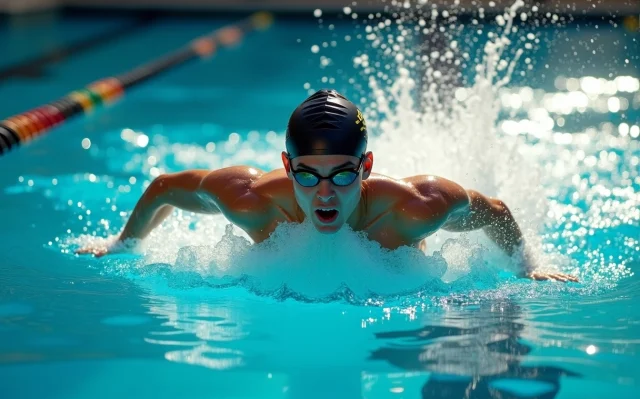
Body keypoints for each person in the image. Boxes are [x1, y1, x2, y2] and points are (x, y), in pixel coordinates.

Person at [77, 89, 577, 282]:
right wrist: (122, 244)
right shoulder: (252, 201)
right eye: (307, 176)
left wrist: (528, 264)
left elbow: (495, 210)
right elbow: (165, 186)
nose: (323, 194)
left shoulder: (414, 208)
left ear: (366, 167)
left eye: (342, 174)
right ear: (286, 167)